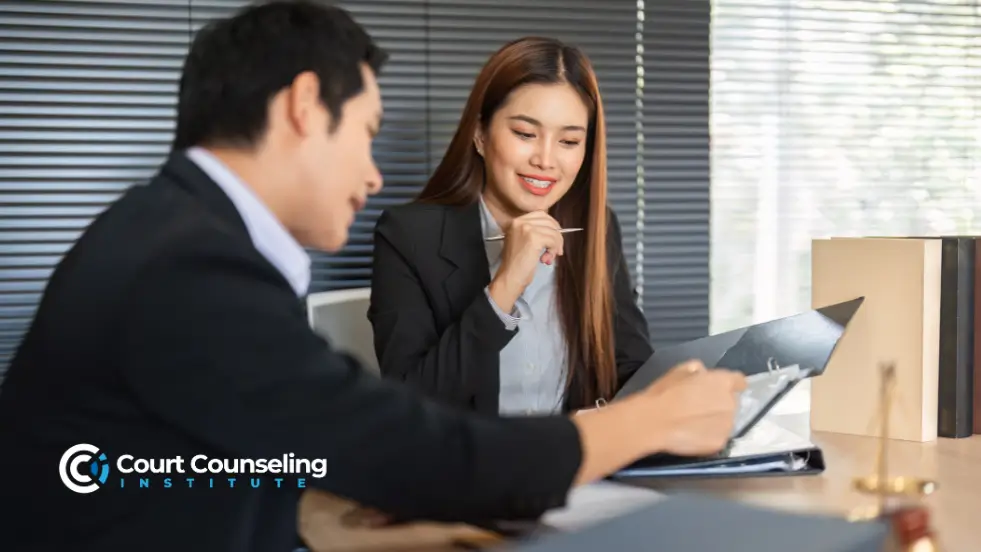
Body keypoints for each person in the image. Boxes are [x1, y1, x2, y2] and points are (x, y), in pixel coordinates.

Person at [0, 3, 745, 551]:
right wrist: (646, 423)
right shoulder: (191, 266)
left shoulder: (164, 231)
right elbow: (404, 441)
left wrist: (359, 483)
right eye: (365, 132)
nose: (372, 172)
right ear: (303, 108)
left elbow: (213, 458)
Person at [369, 37, 653, 416]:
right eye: (525, 134)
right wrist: (505, 286)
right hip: (469, 454)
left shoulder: (597, 229)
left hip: (573, 452)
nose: (546, 160)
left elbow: (631, 368)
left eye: (569, 141)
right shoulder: (409, 236)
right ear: (480, 134)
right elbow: (410, 404)